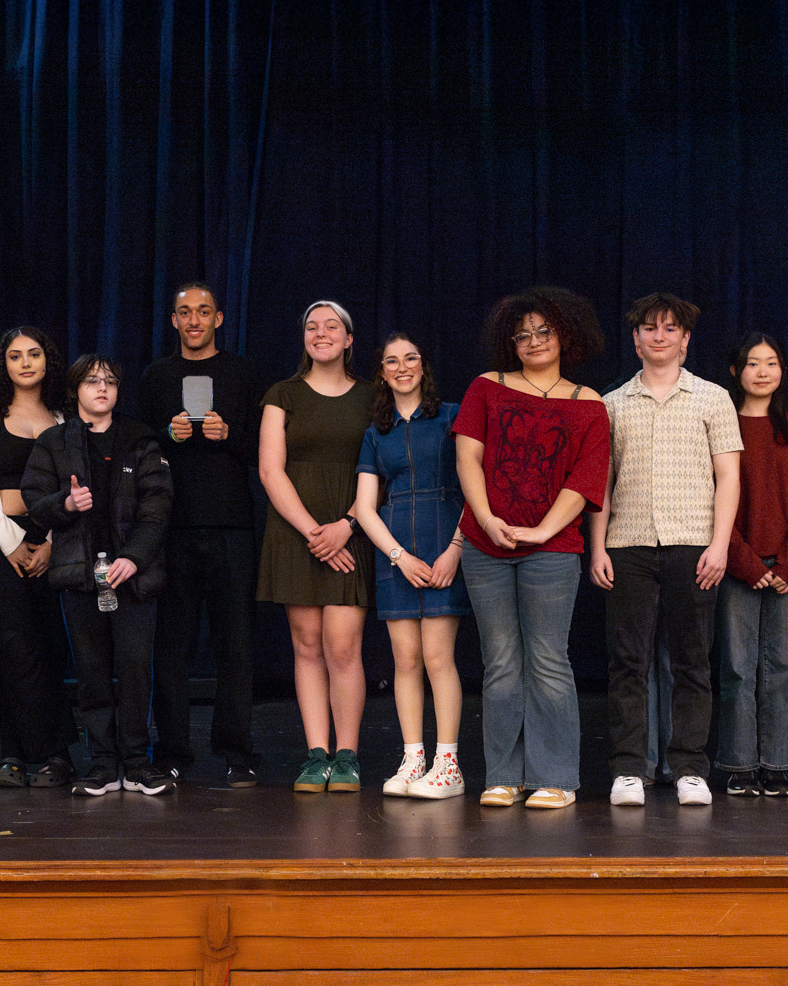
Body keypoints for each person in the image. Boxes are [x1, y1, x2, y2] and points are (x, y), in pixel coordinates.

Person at [454, 287, 610, 810]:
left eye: (544, 332)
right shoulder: (486, 388)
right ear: (509, 342)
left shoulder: (588, 403)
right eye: (522, 335)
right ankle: (503, 775)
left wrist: (544, 531)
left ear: (565, 335)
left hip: (553, 549)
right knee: (499, 662)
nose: (534, 341)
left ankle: (556, 778)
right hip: (486, 544)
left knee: (547, 660)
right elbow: (468, 459)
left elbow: (588, 479)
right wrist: (485, 518)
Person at [588, 294, 741, 808]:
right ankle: (630, 768)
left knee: (692, 661)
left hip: (692, 543)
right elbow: (601, 484)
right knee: (627, 661)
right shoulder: (611, 403)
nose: (659, 336)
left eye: (669, 329)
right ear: (635, 339)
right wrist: (597, 547)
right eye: (649, 329)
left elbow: (729, 477)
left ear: (685, 339)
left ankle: (690, 766)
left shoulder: (713, 397)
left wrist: (719, 544)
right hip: (627, 544)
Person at [23, 355, 175, 796]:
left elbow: (158, 506)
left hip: (134, 577)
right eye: (92, 381)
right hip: (79, 576)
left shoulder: (140, 438)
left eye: (109, 381)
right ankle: (103, 763)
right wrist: (64, 506)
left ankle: (136, 762)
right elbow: (34, 501)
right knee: (91, 671)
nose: (102, 388)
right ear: (76, 391)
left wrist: (134, 558)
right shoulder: (54, 442)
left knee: (133, 669)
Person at [136, 281, 266, 788]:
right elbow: (139, 450)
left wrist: (228, 435)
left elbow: (266, 450)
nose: (194, 320)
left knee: (237, 646)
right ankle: (171, 752)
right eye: (184, 312)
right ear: (173, 321)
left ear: (218, 318)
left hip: (232, 525)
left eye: (203, 311)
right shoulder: (156, 377)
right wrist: (168, 437)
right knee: (171, 648)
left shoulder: (243, 374)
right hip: (172, 529)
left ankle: (237, 752)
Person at [257, 300, 377, 792]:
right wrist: (314, 533)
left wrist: (346, 526)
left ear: (349, 340)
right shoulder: (283, 394)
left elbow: (384, 467)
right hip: (296, 532)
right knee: (306, 646)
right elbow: (270, 470)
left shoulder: (374, 396)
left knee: (343, 646)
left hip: (352, 530)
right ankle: (316, 755)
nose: (320, 333)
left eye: (332, 326)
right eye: (311, 326)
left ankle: (347, 756)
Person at [0, 326, 77, 791]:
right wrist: (14, 543)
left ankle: (51, 754)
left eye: (34, 354)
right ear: (2, 364)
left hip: (58, 547)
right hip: (0, 550)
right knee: (15, 651)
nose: (25, 363)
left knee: (52, 650)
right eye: (15, 355)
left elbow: (81, 490)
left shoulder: (67, 416)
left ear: (48, 360)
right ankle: (20, 753)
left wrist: (49, 544)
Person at [352, 333, 469, 799]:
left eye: (411, 359)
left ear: (424, 366)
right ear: (381, 372)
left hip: (444, 542)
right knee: (405, 660)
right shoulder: (374, 433)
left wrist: (455, 549)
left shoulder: (451, 417)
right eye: (392, 361)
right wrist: (398, 557)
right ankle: (413, 757)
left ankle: (448, 764)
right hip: (397, 551)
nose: (403, 367)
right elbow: (363, 508)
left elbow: (474, 486)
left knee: (439, 658)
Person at [716, 332, 788, 798]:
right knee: (738, 668)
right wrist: (746, 562)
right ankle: (739, 764)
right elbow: (713, 502)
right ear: (736, 373)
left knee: (782, 668)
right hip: (738, 563)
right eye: (753, 363)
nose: (763, 371)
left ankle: (776, 764)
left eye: (772, 363)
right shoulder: (720, 427)